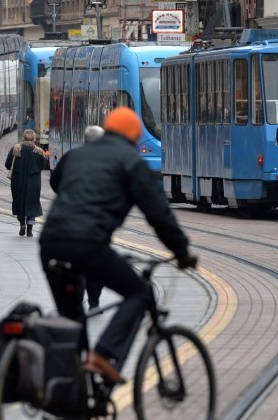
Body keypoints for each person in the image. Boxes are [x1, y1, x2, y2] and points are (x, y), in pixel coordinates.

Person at [40, 107, 197, 384]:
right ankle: (104, 353)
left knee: (72, 320)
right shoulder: (130, 161)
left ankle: (75, 414)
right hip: (88, 243)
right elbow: (158, 214)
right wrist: (182, 252)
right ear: (134, 137)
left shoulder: (75, 155)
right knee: (139, 293)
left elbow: (57, 181)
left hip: (50, 242)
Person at [81, 125, 106, 309]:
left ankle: (73, 307)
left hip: (63, 230)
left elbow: (55, 182)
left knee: (76, 268)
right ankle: (95, 303)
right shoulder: (109, 164)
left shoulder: (71, 159)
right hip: (94, 230)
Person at [5, 129, 47, 237]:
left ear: (23, 138)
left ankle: (22, 224)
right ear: (34, 139)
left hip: (18, 181)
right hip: (33, 183)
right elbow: (43, 166)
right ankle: (30, 229)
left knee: (19, 202)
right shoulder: (39, 151)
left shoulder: (16, 149)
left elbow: (7, 164)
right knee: (32, 204)